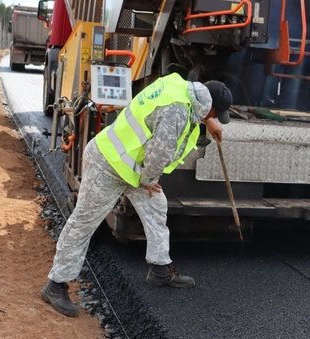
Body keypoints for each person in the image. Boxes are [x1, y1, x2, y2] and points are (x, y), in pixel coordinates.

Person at [41, 73, 233, 317]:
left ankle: (159, 268)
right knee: (84, 222)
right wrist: (149, 180)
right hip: (109, 163)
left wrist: (208, 122)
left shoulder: (181, 88)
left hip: (131, 166)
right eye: (216, 114)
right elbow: (159, 153)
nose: (215, 118)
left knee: (156, 206)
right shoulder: (176, 111)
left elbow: (181, 114)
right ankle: (55, 284)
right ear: (209, 107)